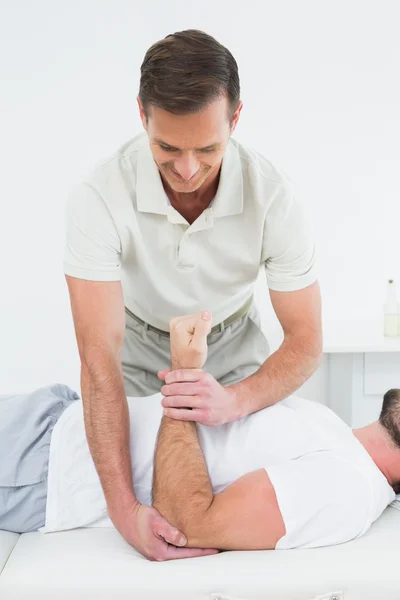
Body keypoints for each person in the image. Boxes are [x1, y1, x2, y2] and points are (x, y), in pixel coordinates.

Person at [63, 28, 323, 559]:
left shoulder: (275, 197)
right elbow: (97, 355)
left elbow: (306, 339)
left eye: (207, 148)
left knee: (235, 483)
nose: (186, 169)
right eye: (166, 147)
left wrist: (237, 400)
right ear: (142, 116)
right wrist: (122, 511)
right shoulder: (99, 196)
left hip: (234, 347)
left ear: (235, 119)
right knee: (132, 485)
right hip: (135, 350)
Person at [0, 311, 398, 560]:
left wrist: (182, 378)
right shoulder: (339, 433)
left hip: (42, 468)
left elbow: (188, 520)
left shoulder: (349, 490)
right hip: (59, 415)